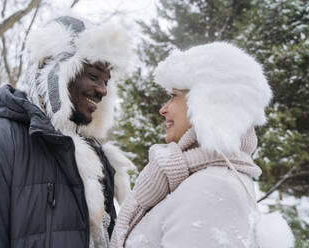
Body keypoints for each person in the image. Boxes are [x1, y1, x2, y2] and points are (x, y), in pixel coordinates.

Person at [110, 42, 294, 248]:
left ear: (210, 103)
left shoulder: (213, 188)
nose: (163, 109)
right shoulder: (201, 179)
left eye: (174, 96)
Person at [0, 15, 135, 248]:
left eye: (106, 81)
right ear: (56, 73)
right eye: (93, 75)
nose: (102, 90)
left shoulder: (96, 158)